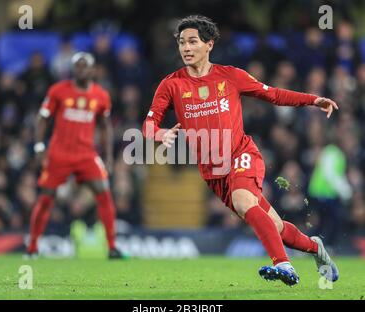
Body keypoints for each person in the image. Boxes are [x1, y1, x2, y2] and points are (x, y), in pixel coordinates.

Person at [142, 15, 339, 286]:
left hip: (241, 154)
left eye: (192, 42)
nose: (186, 48)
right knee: (276, 227)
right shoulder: (171, 84)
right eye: (181, 43)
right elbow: (149, 123)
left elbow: (273, 94)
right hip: (213, 171)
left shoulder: (230, 76)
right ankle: (316, 248)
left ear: (209, 44)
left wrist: (313, 100)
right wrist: (159, 132)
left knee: (244, 201)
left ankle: (283, 265)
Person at [26, 52, 125, 260]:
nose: (80, 69)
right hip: (58, 154)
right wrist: (38, 147)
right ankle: (33, 247)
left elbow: (105, 127)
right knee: (46, 198)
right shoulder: (58, 91)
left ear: (93, 70)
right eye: (77, 66)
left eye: (84, 66)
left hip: (86, 154)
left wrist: (107, 156)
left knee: (104, 192)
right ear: (73, 69)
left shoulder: (101, 95)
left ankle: (112, 247)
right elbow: (42, 118)